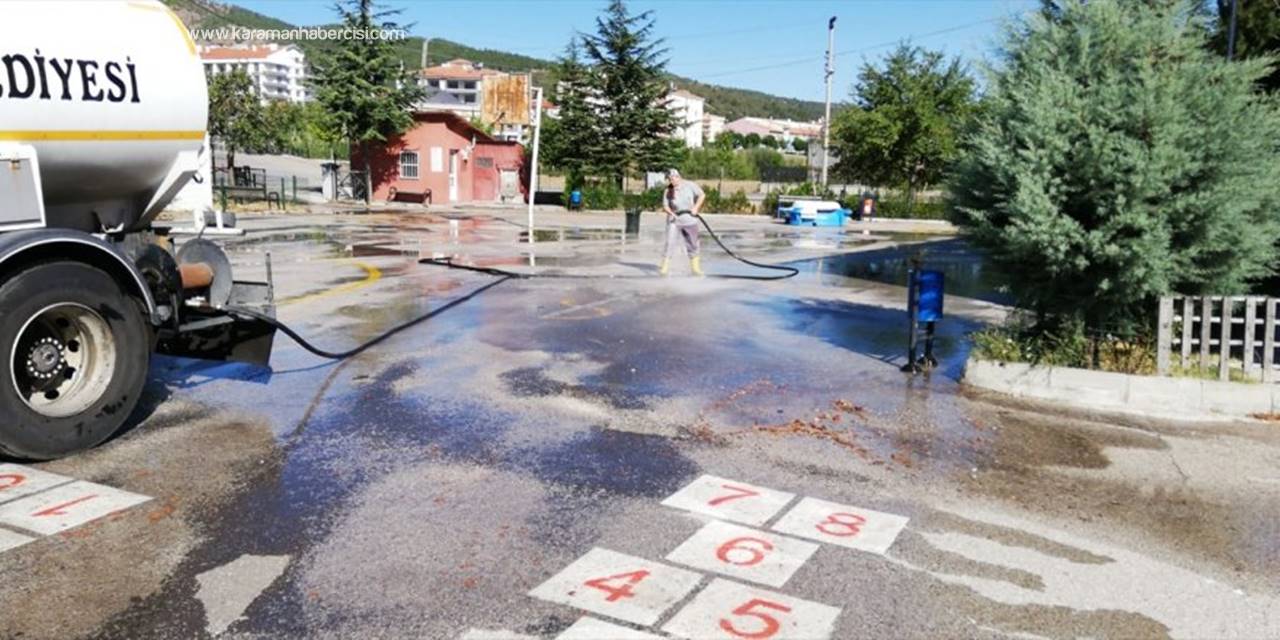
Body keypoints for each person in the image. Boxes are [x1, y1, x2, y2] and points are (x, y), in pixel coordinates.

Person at [660, 168, 707, 276]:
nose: (672, 181)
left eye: (673, 178)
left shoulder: (689, 185)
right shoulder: (668, 191)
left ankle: (695, 268)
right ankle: (664, 268)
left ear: (679, 177)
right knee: (669, 243)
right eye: (670, 179)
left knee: (693, 243)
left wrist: (696, 208)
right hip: (674, 220)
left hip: (690, 219)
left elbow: (702, 195)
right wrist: (671, 213)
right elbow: (665, 205)